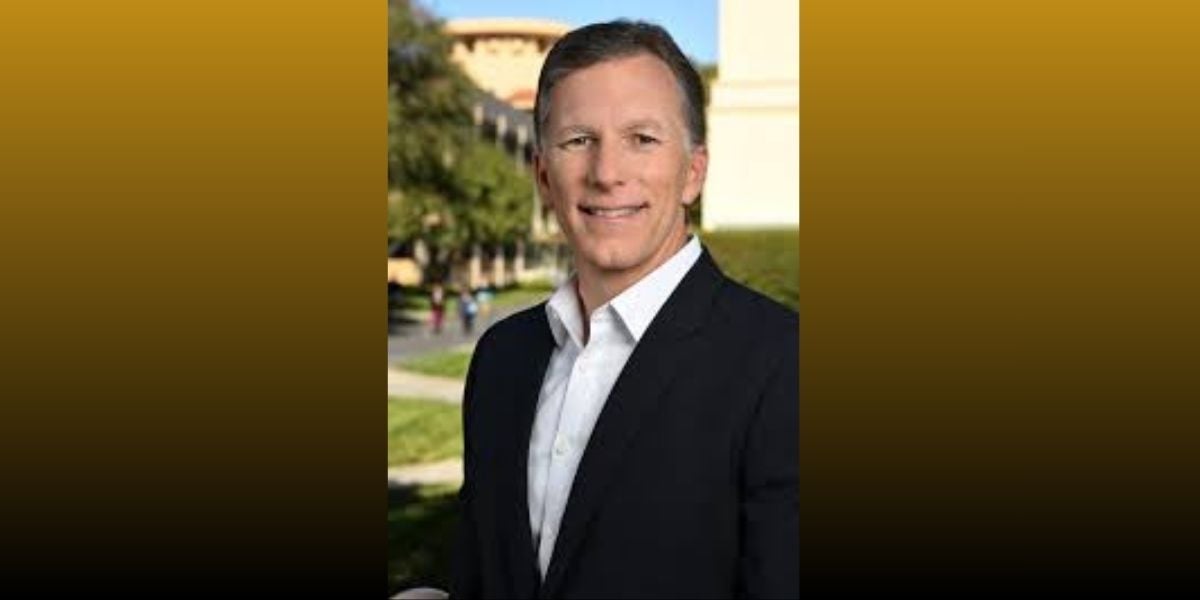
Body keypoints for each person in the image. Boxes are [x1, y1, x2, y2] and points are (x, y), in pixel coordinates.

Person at [452, 20, 798, 599]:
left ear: (693, 172)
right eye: (578, 140)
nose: (607, 173)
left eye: (643, 138)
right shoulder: (501, 358)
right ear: (543, 174)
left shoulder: (784, 364)